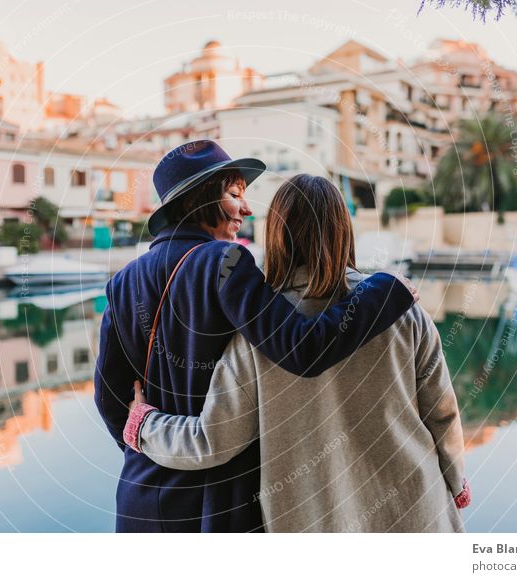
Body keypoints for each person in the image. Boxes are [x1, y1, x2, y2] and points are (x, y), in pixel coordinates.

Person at [94, 141, 417, 532]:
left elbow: (110, 400)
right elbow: (303, 348)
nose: (246, 210)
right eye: (234, 195)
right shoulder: (225, 261)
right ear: (198, 201)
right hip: (219, 504)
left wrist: (148, 443)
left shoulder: (123, 282)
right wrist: (385, 291)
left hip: (140, 497)